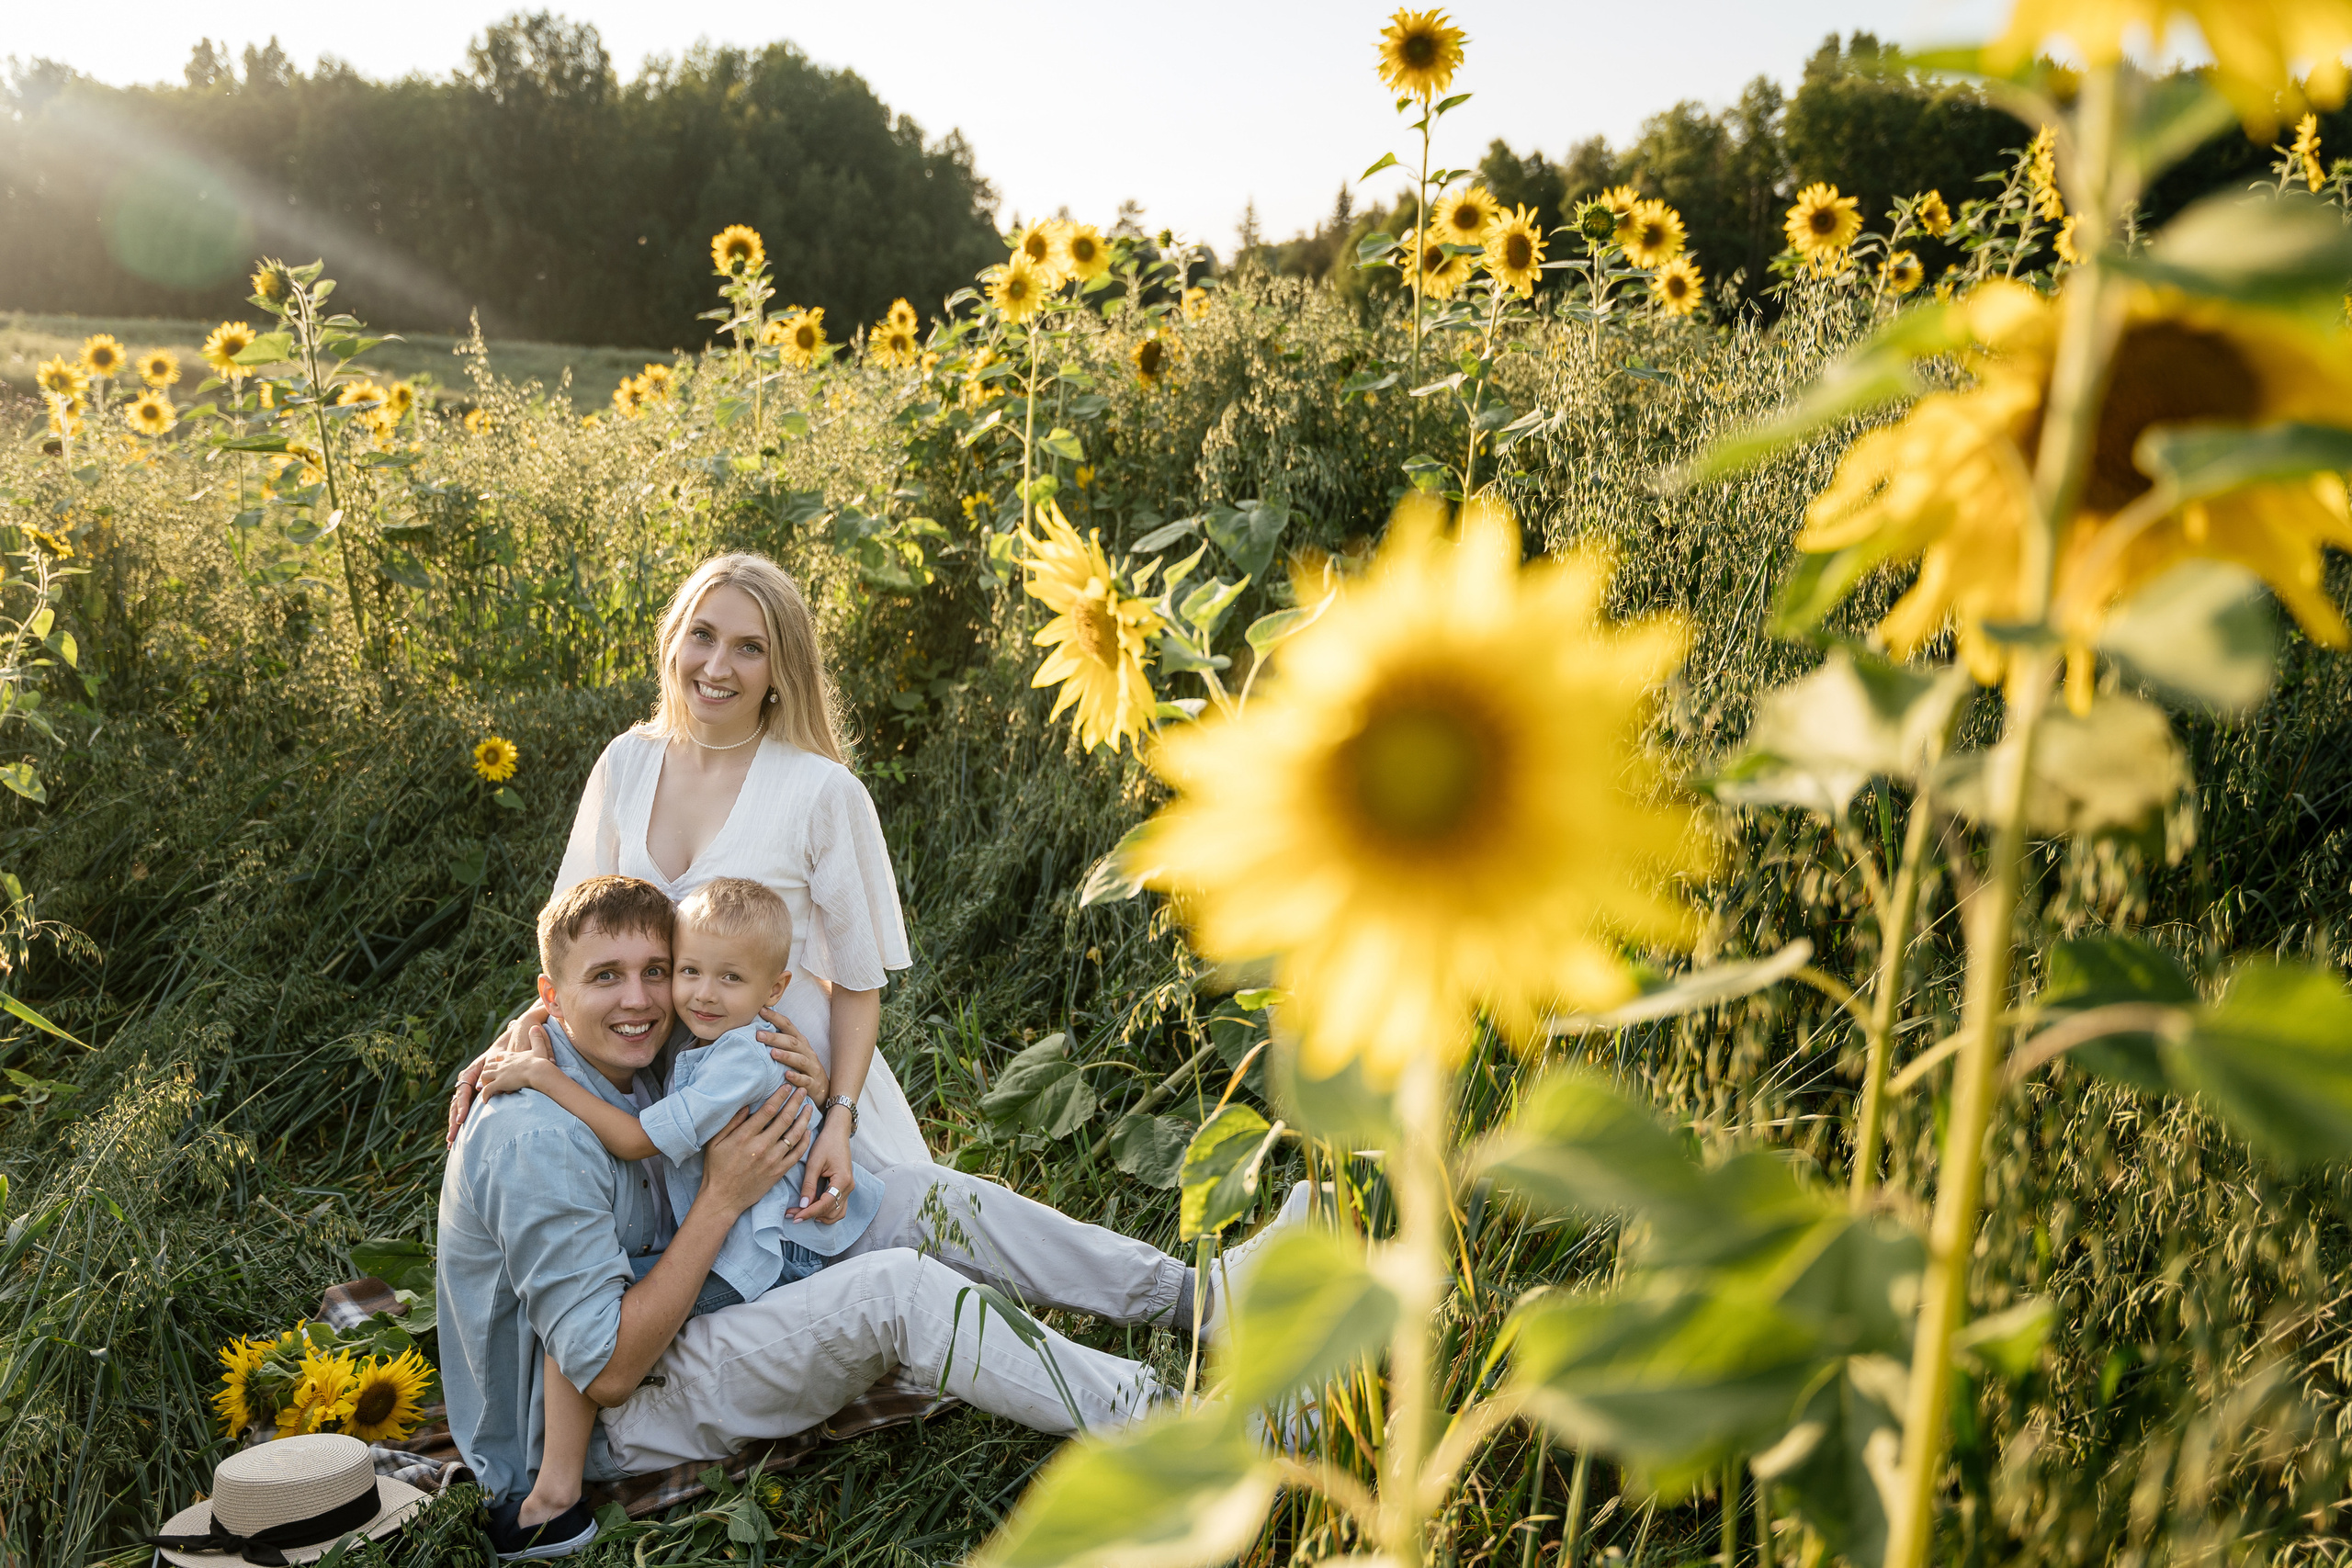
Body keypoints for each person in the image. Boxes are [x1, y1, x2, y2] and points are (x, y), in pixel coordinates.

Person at [441, 876, 1273, 1560]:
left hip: (698, 1292)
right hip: (613, 1414)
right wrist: (727, 1196)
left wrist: (813, 1091)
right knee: (900, 1290)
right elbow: (607, 1370)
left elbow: (696, 1026)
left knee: (928, 1195)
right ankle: (1176, 1425)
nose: (644, 998)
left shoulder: (628, 1043)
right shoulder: (535, 1140)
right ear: (555, 993)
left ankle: (1198, 1298)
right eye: (606, 977)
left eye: (657, 970)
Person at [449, 549, 927, 1214]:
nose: (717, 666)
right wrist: (522, 1028)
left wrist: (838, 1112)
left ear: (781, 670)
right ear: (673, 638)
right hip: (661, 1076)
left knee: (908, 1247)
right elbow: (576, 938)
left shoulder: (821, 790)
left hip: (789, 1079)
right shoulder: (627, 762)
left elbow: (857, 983)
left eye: (749, 647)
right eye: (702, 634)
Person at [472, 877, 879, 1546]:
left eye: (722, 977)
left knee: (607, 1312)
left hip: (763, 1253)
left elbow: (635, 1140)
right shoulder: (694, 1043)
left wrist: (546, 1077)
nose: (698, 993)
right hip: (740, 1235)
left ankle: (556, 1495)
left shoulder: (738, 1058)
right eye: (688, 971)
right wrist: (531, 1026)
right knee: (592, 1296)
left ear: (772, 989)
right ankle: (557, 1488)